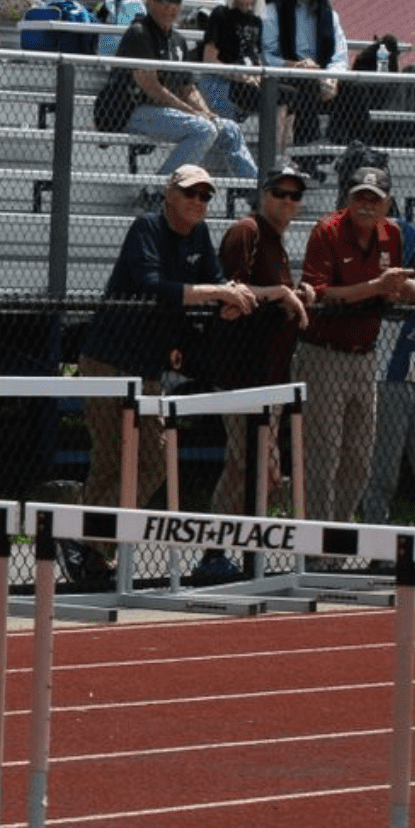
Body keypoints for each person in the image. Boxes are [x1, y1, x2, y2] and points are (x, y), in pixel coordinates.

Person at [70, 165, 283, 583]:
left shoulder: (200, 236)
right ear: (170, 194)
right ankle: (93, 553)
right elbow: (154, 286)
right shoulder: (146, 228)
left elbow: (219, 283)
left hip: (147, 367)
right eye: (190, 193)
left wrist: (233, 299)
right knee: (111, 458)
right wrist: (220, 293)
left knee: (152, 458)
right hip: (108, 360)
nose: (198, 202)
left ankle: (86, 538)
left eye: (205, 196)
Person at [295, 166, 415, 528]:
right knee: (324, 454)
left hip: (366, 354)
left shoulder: (392, 234)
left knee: (360, 459)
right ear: (347, 198)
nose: (366, 205)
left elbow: (399, 288)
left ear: (387, 203)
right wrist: (376, 286)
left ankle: (340, 537)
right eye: (360, 197)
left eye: (374, 199)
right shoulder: (326, 231)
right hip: (325, 352)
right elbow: (319, 295)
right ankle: (317, 541)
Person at [194, 165, 314, 581]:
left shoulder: (277, 243)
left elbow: (264, 294)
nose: (287, 201)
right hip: (243, 374)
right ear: (264, 195)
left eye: (295, 196)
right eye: (280, 193)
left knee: (258, 470)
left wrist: (295, 293)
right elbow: (232, 293)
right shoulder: (247, 231)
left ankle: (240, 548)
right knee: (247, 466)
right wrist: (279, 294)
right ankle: (217, 552)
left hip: (271, 376)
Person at [116, 0, 256, 185]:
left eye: (177, 2)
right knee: (203, 129)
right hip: (131, 110)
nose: (172, 8)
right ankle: (158, 191)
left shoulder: (178, 40)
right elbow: (151, 87)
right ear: (151, 2)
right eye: (165, 1)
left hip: (167, 113)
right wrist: (192, 113)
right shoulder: (140, 33)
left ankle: (257, 193)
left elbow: (187, 87)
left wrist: (205, 112)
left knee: (228, 128)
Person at [359, 242, 415, 530]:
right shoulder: (406, 294)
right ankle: (377, 541)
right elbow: (405, 290)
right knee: (384, 472)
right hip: (390, 386)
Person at [198, 0, 297, 145]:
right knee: (274, 96)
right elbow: (209, 59)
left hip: (249, 82)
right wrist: (240, 76)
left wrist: (259, 75)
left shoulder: (257, 21)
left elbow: (255, 56)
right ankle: (272, 155)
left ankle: (280, 153)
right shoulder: (220, 15)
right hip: (225, 83)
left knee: (292, 95)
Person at [262, 0, 347, 147]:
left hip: (322, 76)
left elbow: (340, 56)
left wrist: (331, 77)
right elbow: (267, 55)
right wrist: (294, 65)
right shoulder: (275, 10)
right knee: (304, 90)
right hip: (289, 73)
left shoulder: (329, 15)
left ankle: (354, 153)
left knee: (355, 90)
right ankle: (310, 151)